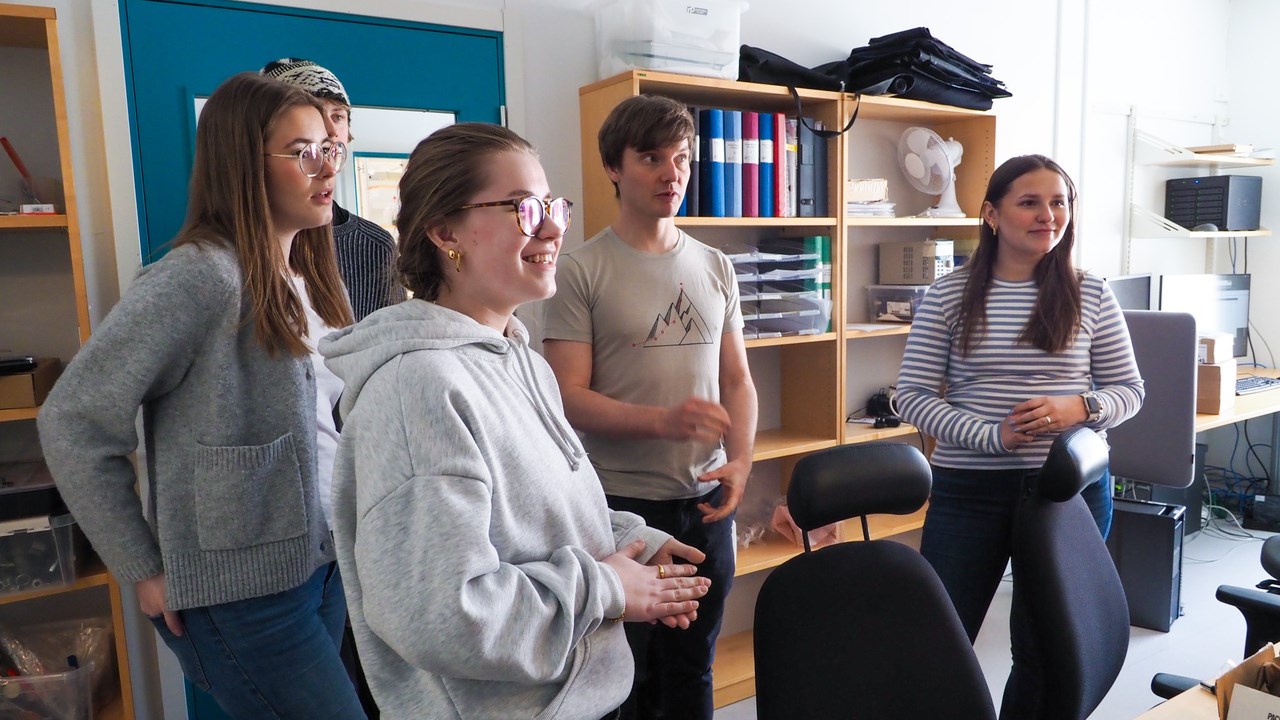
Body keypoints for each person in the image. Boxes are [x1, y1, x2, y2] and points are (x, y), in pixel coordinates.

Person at [320, 122, 711, 720]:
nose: (552, 228)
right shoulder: (417, 388)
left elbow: (535, 516)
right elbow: (445, 616)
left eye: (553, 206)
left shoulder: (520, 357)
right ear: (445, 232)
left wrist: (630, 544)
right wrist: (606, 587)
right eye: (524, 208)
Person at [37, 72, 365, 718]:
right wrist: (141, 566)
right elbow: (73, 421)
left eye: (330, 148)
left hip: (322, 566)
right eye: (303, 152)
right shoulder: (201, 276)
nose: (328, 167)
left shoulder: (306, 275)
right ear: (243, 162)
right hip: (243, 594)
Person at [895, 154, 1145, 717]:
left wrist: (1081, 406)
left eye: (1059, 202)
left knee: (1043, 650)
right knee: (940, 641)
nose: (1048, 215)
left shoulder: (1092, 292)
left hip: (1067, 495)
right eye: (1029, 202)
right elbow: (911, 396)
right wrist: (994, 435)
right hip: (970, 490)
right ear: (991, 214)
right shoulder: (948, 295)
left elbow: (1130, 390)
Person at [542, 94, 759, 720]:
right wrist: (663, 421)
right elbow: (567, 397)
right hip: (623, 511)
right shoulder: (579, 269)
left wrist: (741, 461)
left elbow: (738, 380)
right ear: (614, 167)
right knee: (624, 680)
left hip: (706, 506)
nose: (672, 174)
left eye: (682, 159)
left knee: (693, 669)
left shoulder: (715, 265)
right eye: (651, 158)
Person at [261, 57, 406, 321]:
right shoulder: (220, 262)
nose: (328, 129)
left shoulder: (374, 246)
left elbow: (394, 337)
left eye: (338, 116)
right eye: (314, 113)